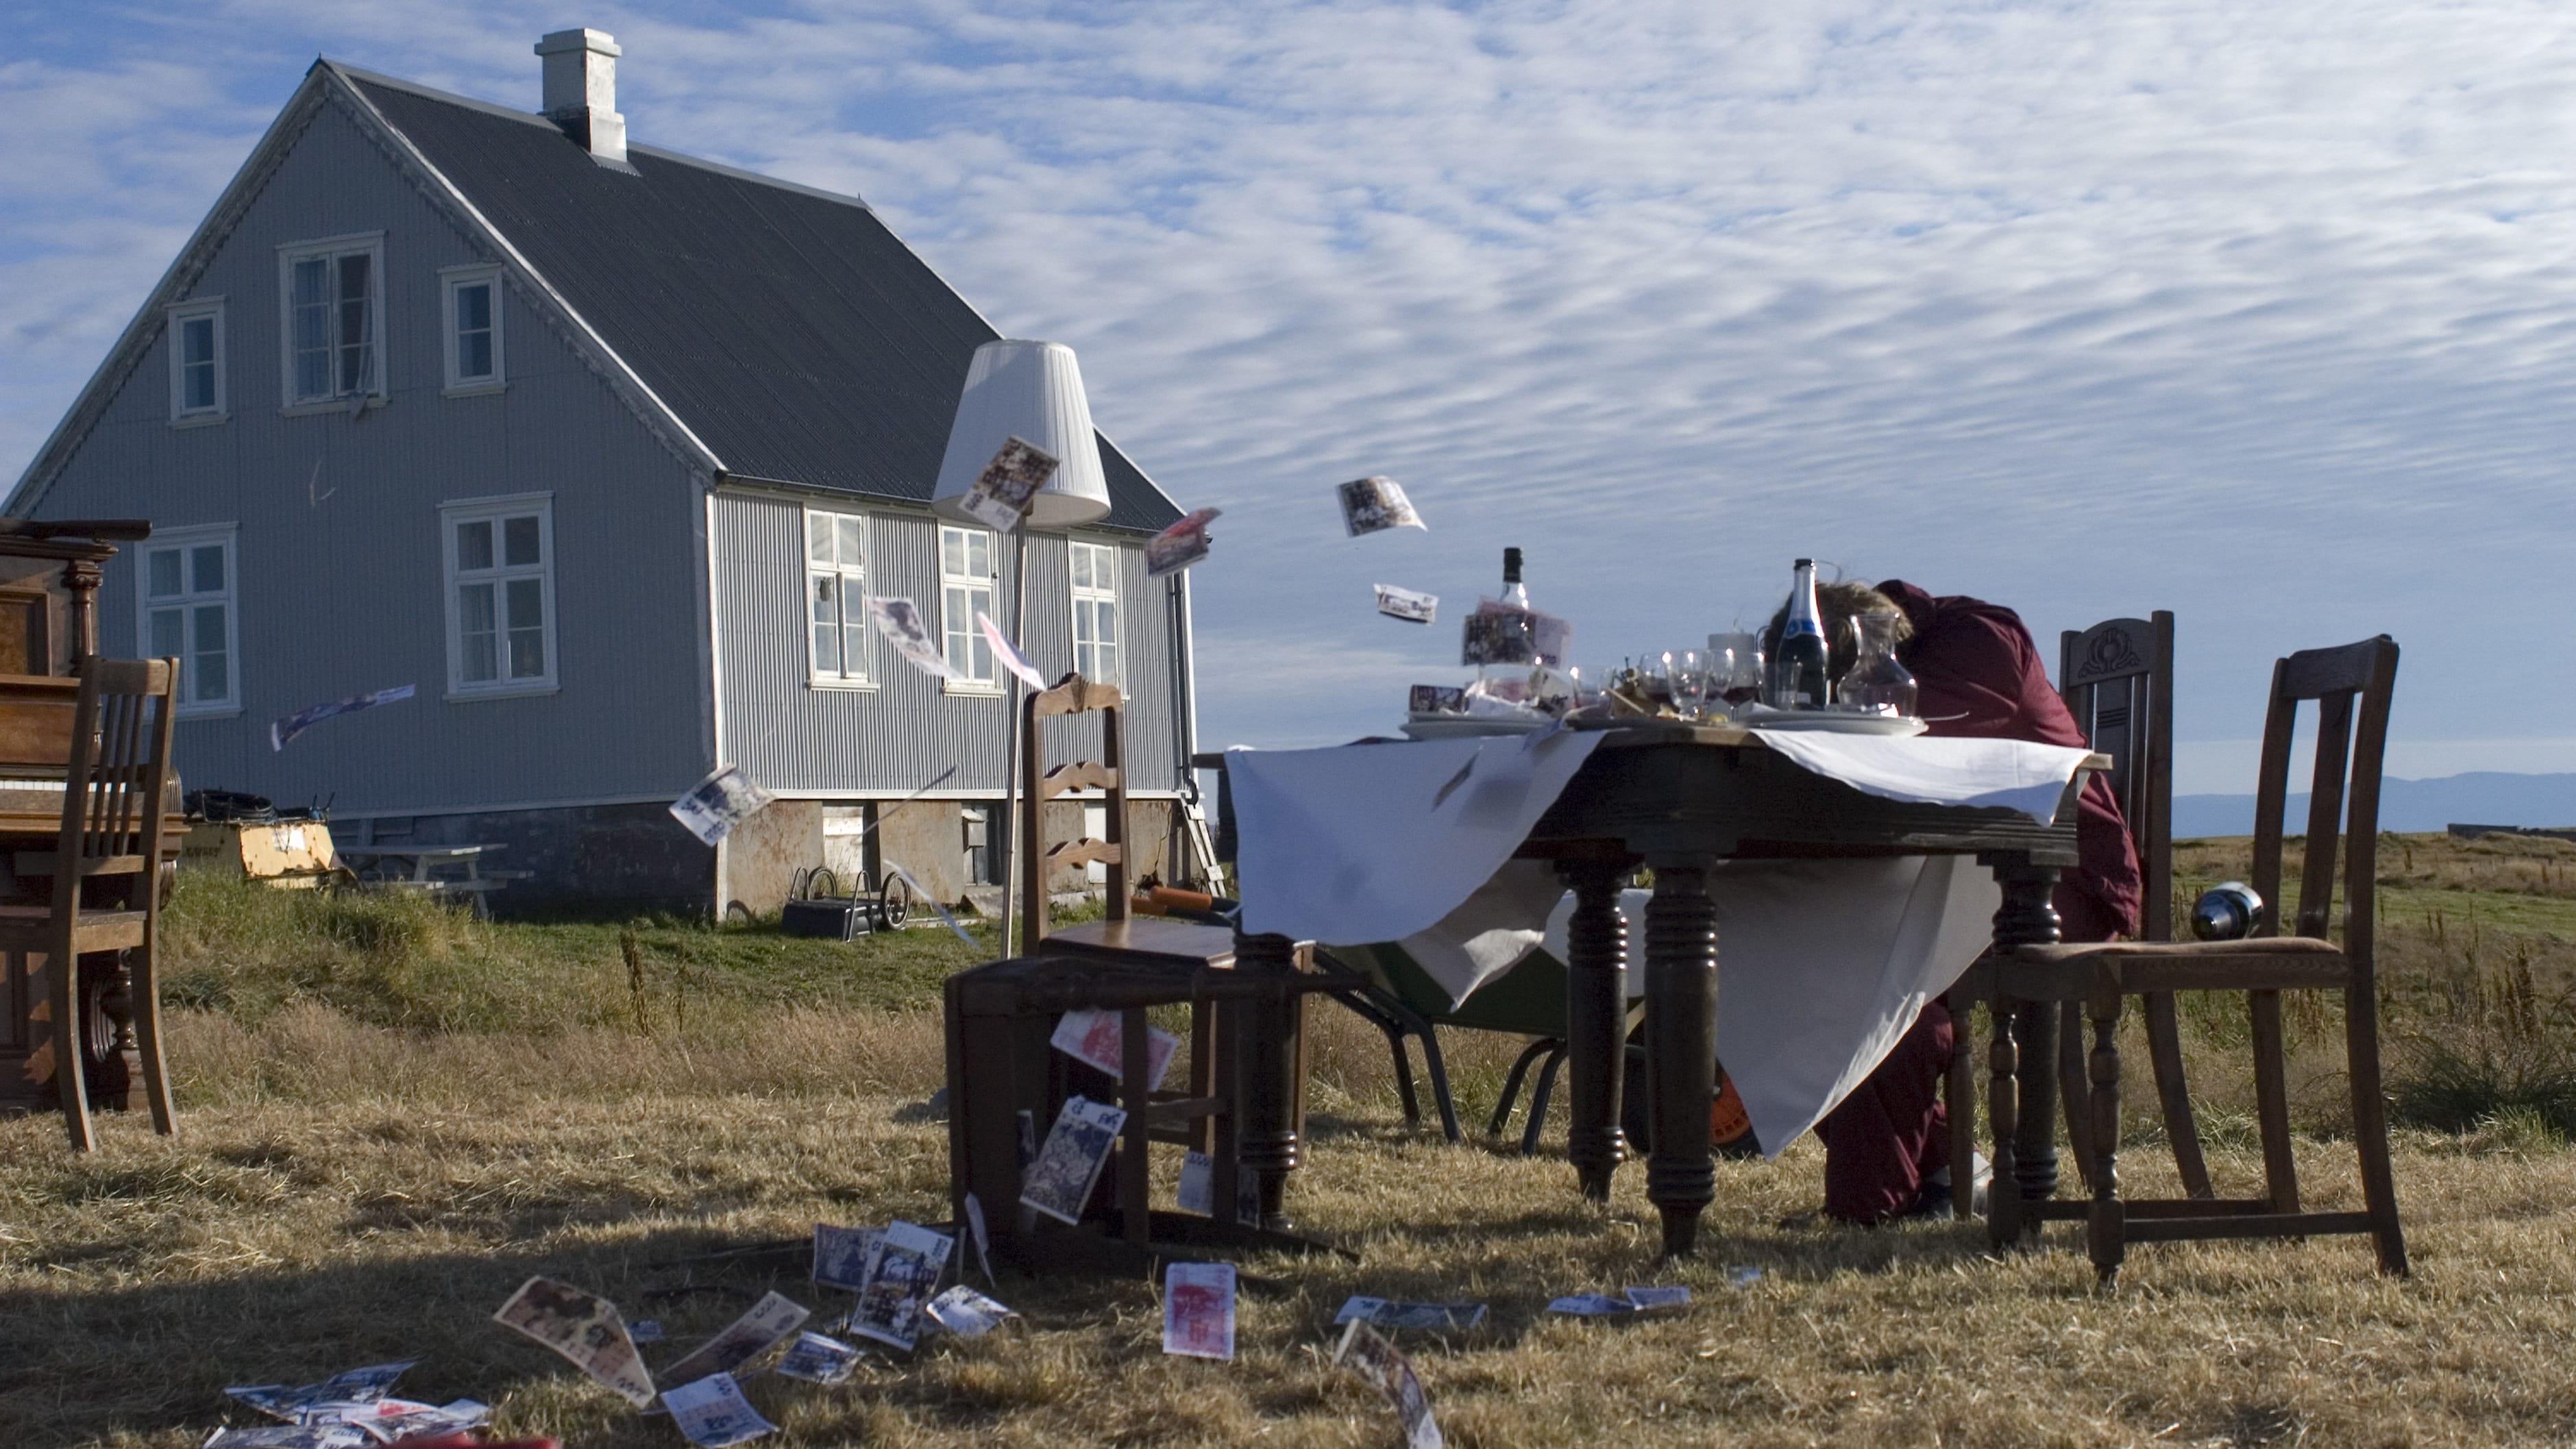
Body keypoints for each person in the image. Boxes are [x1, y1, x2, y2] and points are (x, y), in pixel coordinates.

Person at [1768, 579, 2142, 1224]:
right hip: (1959, 877)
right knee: (1786, 951)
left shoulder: (1980, 643)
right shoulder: (1918, 653)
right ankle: (1941, 1168)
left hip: (2062, 885)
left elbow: (1893, 759)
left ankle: (1870, 1205)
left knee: (1872, 972)